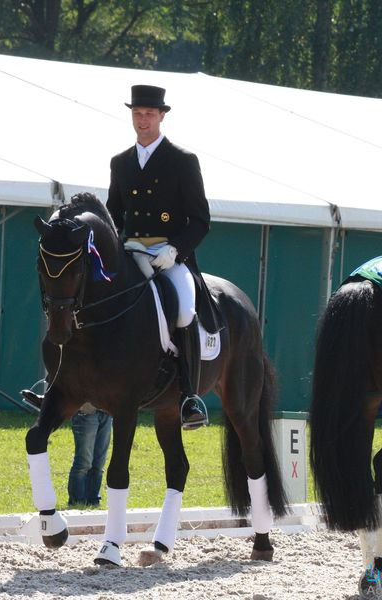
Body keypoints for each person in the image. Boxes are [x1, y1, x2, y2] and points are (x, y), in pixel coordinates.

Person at [106, 84, 211, 429]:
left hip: (169, 256)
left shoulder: (182, 161)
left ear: (162, 116)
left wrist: (175, 250)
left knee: (183, 309)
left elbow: (200, 220)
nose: (143, 120)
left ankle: (190, 397)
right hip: (132, 252)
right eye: (137, 113)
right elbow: (113, 215)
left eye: (149, 114)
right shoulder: (120, 163)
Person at [68, 403, 112, 506]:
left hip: (107, 411)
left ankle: (93, 500)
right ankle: (77, 502)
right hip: (86, 411)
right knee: (84, 462)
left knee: (99, 463)